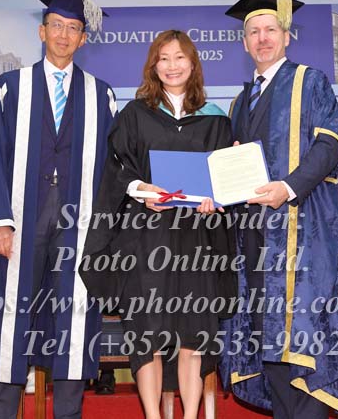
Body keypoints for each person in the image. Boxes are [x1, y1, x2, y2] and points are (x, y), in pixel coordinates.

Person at [0, 0, 115, 419]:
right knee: (10, 316)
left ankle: (68, 414)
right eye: (57, 26)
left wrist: (104, 233)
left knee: (73, 317)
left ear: (83, 39)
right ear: (42, 31)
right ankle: (1, 413)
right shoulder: (9, 87)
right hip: (20, 220)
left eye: (73, 28)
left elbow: (111, 167)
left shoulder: (101, 95)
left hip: (78, 223)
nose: (63, 35)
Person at [82, 30, 235, 419]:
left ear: (193, 64)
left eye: (180, 57)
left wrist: (216, 199)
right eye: (163, 58)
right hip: (147, 238)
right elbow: (117, 168)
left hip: (197, 239)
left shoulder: (216, 119)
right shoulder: (135, 114)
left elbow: (223, 177)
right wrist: (140, 189)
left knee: (193, 335)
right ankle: (152, 415)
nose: (172, 66)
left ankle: (189, 415)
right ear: (153, 65)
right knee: (146, 334)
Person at [219, 0, 338, 418]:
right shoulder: (240, 101)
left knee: (303, 334)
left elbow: (330, 146)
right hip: (254, 237)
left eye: (270, 29)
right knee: (267, 335)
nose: (262, 38)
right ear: (244, 43)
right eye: (253, 32)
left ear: (286, 36)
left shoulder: (310, 81)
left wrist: (288, 188)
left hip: (301, 232)